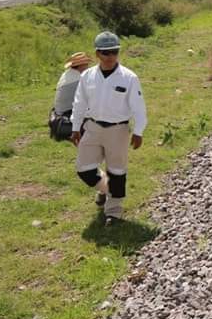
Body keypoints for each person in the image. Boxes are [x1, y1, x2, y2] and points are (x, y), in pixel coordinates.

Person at [71, 32, 148, 225]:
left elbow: (139, 106)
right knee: (84, 169)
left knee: (117, 171)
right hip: (93, 127)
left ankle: (113, 212)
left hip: (118, 130)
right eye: (106, 52)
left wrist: (138, 131)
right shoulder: (87, 76)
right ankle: (107, 189)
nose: (110, 56)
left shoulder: (129, 78)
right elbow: (79, 103)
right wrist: (75, 127)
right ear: (97, 54)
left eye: (114, 51)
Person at [50, 52, 92, 140]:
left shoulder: (68, 74)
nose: (88, 67)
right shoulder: (79, 78)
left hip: (60, 111)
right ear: (81, 66)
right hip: (67, 113)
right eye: (86, 64)